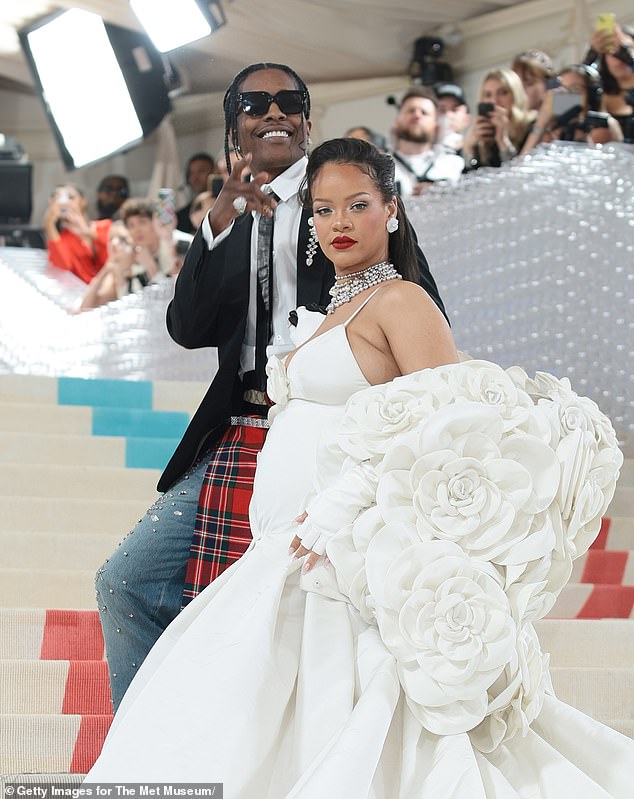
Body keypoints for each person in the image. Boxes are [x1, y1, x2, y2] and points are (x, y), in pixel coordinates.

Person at [86, 138, 634, 794]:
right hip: (292, 543)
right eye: (323, 209)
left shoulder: (402, 301)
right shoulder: (335, 308)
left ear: (392, 211)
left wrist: (348, 497)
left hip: (339, 549)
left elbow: (458, 428)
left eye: (357, 204)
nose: (338, 222)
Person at [95, 63, 447, 713]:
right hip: (243, 431)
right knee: (128, 581)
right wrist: (217, 221)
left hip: (336, 448)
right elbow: (188, 327)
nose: (274, 112)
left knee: (297, 616)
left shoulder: (352, 192)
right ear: (236, 127)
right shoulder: (230, 216)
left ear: (308, 120)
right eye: (257, 103)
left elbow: (420, 318)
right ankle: (150, 751)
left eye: (290, 101)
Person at [521, 65, 623, 154]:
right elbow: (521, 167)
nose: (567, 94)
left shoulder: (602, 125)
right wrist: (541, 124)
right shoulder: (546, 130)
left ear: (591, 94)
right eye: (562, 89)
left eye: (575, 89)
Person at [389, 86, 464, 196]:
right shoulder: (379, 169)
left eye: (424, 112)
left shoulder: (454, 165)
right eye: (411, 111)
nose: (417, 115)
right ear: (397, 121)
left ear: (436, 125)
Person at [462, 68, 535, 170]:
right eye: (488, 95)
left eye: (503, 93)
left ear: (515, 95)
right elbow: (472, 180)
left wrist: (503, 141)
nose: (494, 101)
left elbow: (519, 175)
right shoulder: (484, 134)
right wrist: (469, 150)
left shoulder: (533, 127)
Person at [43, 183, 111, 283]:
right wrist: (49, 225)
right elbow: (63, 268)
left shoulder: (105, 226)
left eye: (71, 197)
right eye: (59, 198)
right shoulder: (62, 239)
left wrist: (88, 232)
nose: (65, 202)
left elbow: (118, 252)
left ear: (83, 201)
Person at [587, 20, 634, 142]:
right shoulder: (597, 93)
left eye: (626, 48)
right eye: (610, 51)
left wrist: (628, 58)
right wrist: (592, 54)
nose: (617, 57)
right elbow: (565, 101)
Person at [78, 221, 138, 311]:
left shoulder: (139, 272)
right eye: (111, 239)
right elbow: (84, 307)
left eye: (122, 239)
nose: (114, 243)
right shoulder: (111, 273)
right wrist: (105, 270)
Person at [176, 152, 215, 234]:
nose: (195, 178)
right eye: (191, 173)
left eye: (201, 171)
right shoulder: (180, 217)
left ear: (214, 173)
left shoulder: (226, 206)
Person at [434, 82, 471, 152]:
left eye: (455, 110)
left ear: (466, 119)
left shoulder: (476, 153)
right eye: (442, 109)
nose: (448, 115)